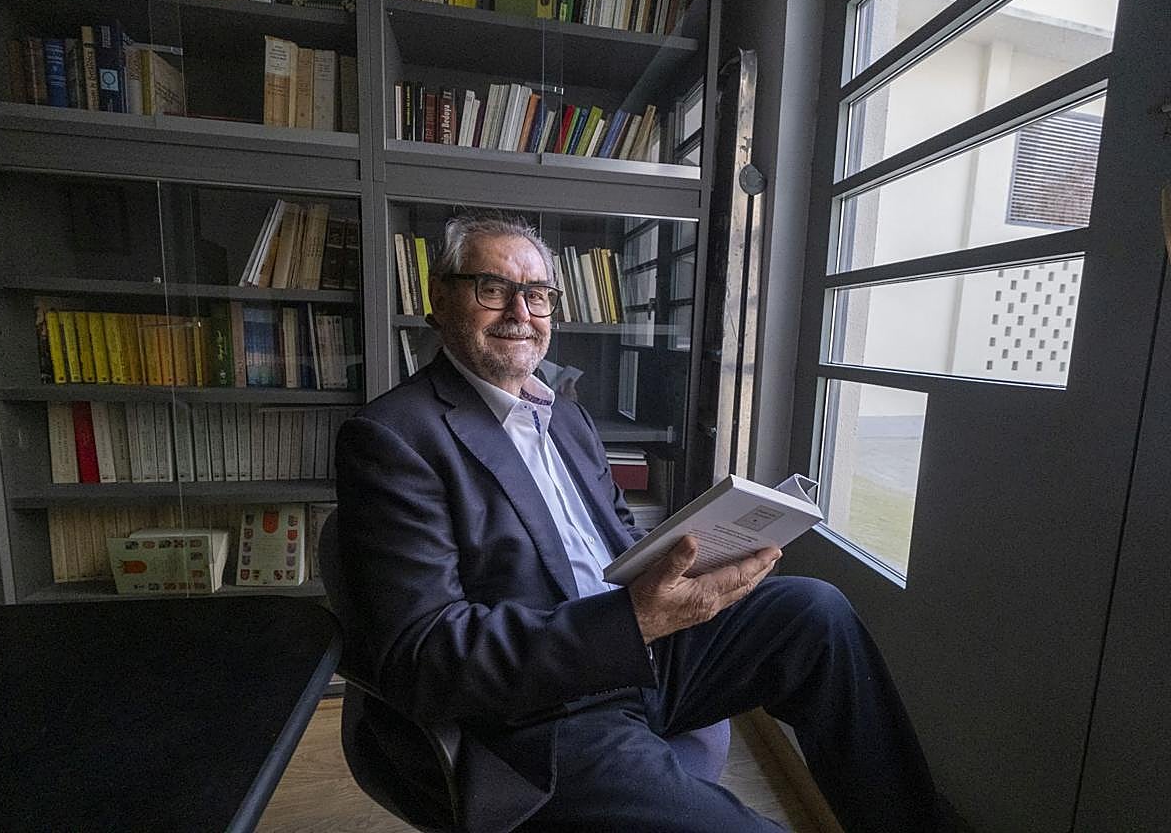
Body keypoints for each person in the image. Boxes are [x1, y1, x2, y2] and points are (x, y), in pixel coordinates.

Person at [335, 212, 939, 833]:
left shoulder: (563, 415)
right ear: (440, 301)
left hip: (643, 653)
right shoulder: (393, 439)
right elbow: (426, 656)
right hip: (542, 709)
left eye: (538, 294)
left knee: (816, 611)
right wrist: (632, 621)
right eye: (493, 289)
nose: (520, 310)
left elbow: (620, 541)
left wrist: (698, 562)